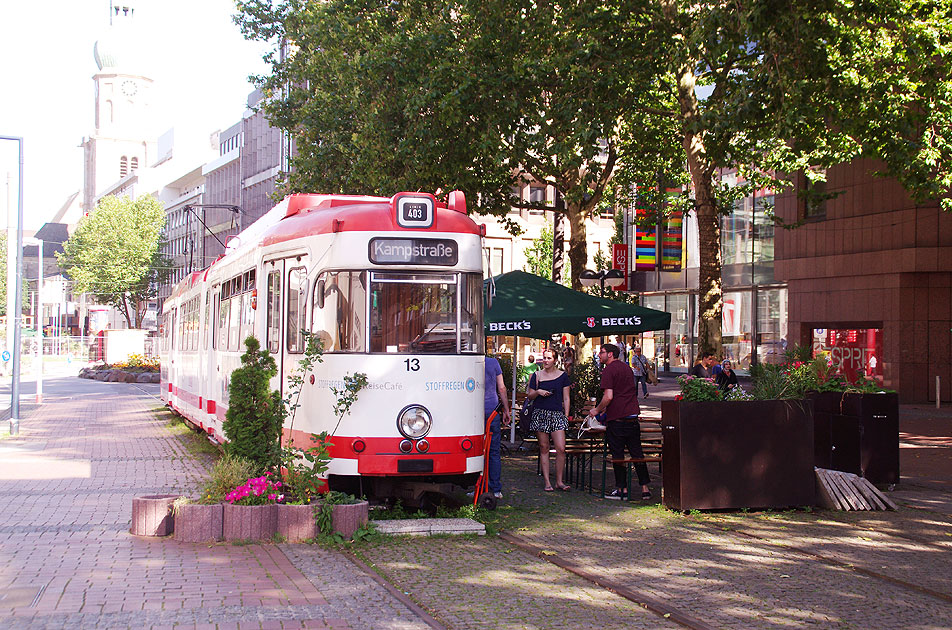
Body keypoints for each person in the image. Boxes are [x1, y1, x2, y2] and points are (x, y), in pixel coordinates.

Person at [585, 343, 651, 500]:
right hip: (632, 415)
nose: (599, 355)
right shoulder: (626, 368)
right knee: (637, 453)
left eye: (602, 352)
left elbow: (608, 396)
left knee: (618, 454)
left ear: (610, 354)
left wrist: (597, 410)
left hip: (617, 417)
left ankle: (622, 489)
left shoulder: (608, 370)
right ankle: (645, 488)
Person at [527, 349, 572, 491]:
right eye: (544, 358)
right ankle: (547, 482)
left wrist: (566, 414)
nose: (546, 361)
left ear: (555, 360)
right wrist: (538, 392)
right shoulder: (536, 375)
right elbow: (529, 396)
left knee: (561, 448)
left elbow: (566, 397)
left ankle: (559, 481)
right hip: (540, 413)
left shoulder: (563, 376)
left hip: (557, 414)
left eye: (548, 358)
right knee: (544, 447)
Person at [484, 355, 511, 499]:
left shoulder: (468, 361)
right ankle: (495, 488)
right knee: (493, 452)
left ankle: (479, 487)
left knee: (477, 451)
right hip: (492, 411)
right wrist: (506, 409)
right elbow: (501, 387)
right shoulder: (493, 362)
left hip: (472, 412)